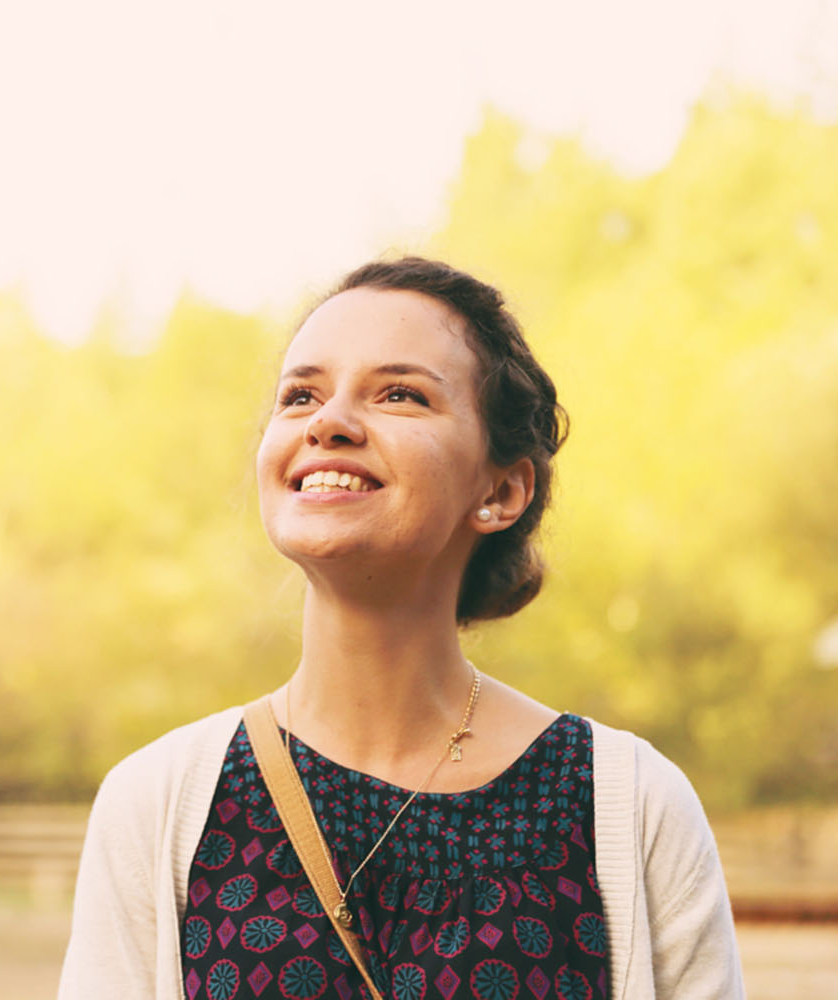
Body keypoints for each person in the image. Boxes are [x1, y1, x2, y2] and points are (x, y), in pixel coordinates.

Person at [57, 257, 744, 999]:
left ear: (502, 489)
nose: (329, 422)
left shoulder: (630, 807)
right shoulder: (157, 805)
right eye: (300, 395)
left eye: (398, 393)